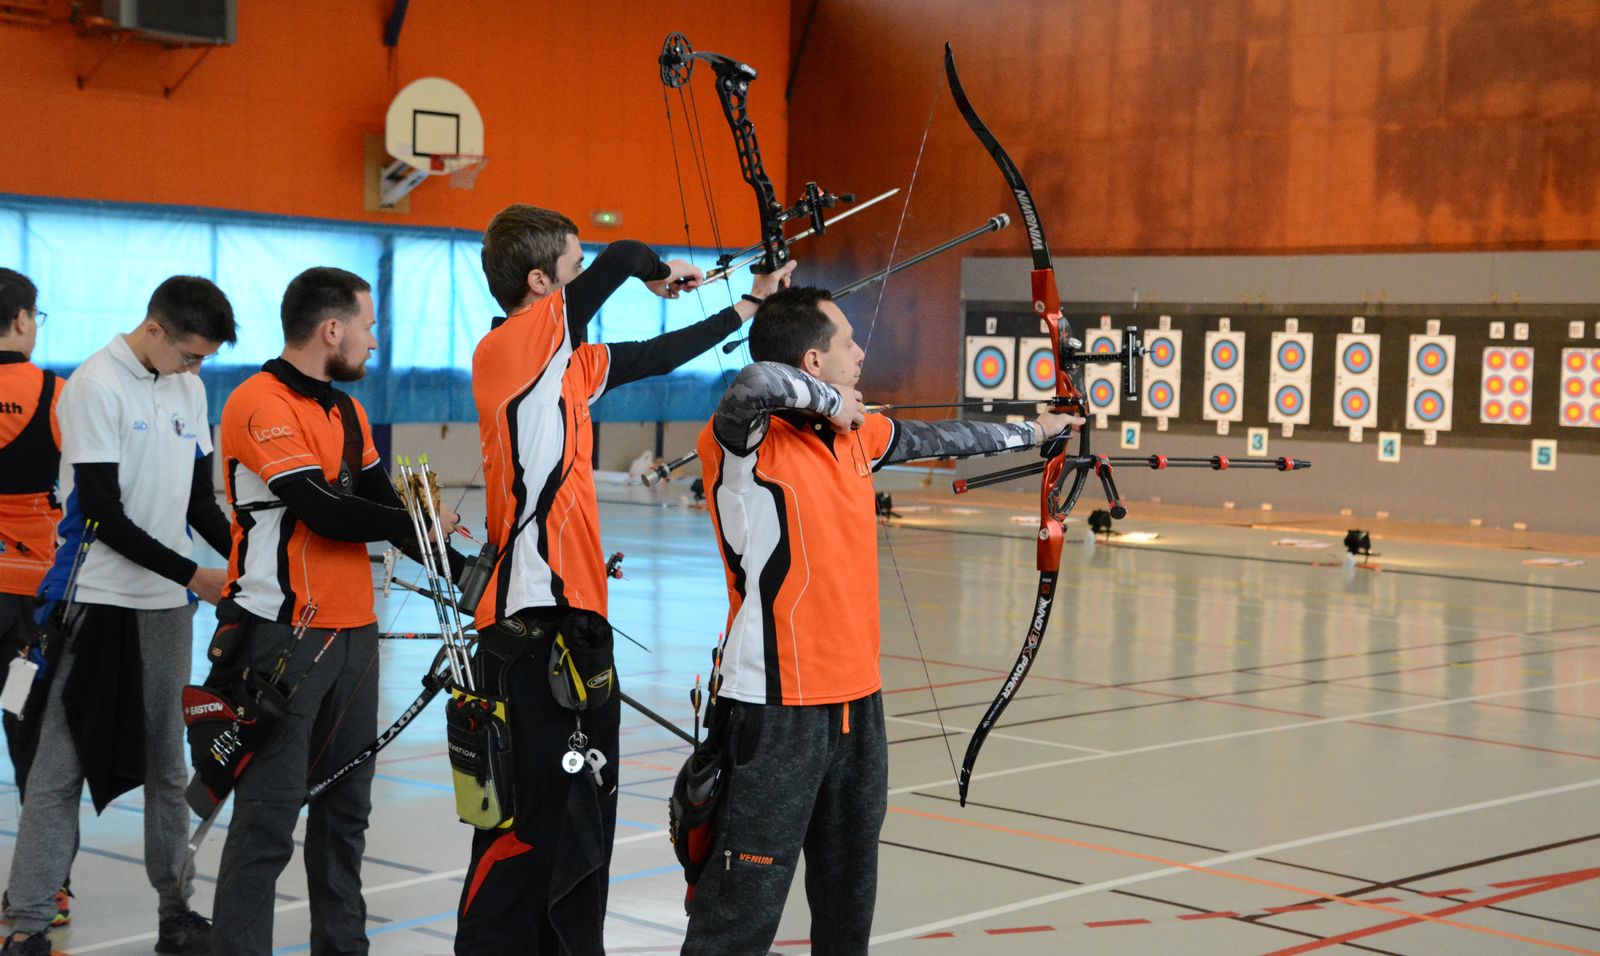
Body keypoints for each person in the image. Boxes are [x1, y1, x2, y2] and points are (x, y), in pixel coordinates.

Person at [683, 286, 1080, 955]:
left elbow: (947, 436)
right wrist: (831, 403)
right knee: (738, 917)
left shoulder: (858, 436)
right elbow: (754, 385)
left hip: (857, 703)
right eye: (848, 342)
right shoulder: (743, 444)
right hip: (776, 706)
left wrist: (1038, 432)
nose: (861, 352)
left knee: (848, 901)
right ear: (814, 362)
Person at [458, 204, 793, 955]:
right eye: (573, 270)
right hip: (531, 623)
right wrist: (655, 272)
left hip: (574, 624)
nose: (584, 282)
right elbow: (628, 252)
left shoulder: (563, 367)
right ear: (541, 283)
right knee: (526, 829)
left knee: (584, 820)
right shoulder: (512, 347)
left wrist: (750, 303)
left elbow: (655, 354)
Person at [208, 266, 459, 956]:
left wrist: (469, 568)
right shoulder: (258, 402)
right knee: (267, 820)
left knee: (346, 813)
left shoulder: (346, 411)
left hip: (355, 636)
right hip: (283, 639)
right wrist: (411, 522)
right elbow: (324, 510)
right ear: (331, 329)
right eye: (367, 327)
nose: (373, 341)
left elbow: (384, 504)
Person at [2, 276, 237, 956]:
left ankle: (176, 913)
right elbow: (102, 512)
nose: (195, 370)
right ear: (155, 329)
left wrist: (249, 564)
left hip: (166, 611)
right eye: (190, 354)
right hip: (93, 604)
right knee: (58, 770)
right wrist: (194, 574)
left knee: (168, 767)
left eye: (204, 360)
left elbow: (198, 504)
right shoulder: (93, 386)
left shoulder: (189, 389)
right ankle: (28, 924)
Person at [0, 268, 64, 795]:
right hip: (29, 592)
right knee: (26, 727)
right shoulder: (57, 394)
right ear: (22, 320)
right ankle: (45, 855)